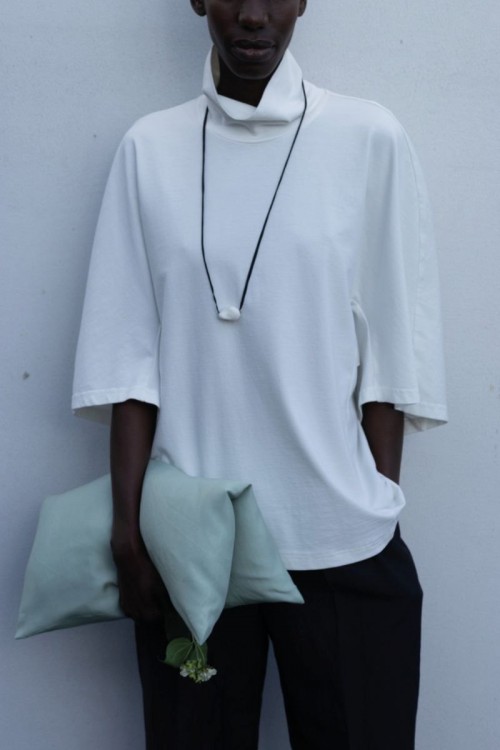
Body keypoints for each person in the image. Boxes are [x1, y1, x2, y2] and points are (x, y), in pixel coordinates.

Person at [72, 1, 447, 748]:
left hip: (343, 541)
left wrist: (370, 505)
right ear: (197, 0)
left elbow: (395, 349)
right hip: (192, 546)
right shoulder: (150, 148)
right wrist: (129, 531)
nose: (252, 15)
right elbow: (125, 358)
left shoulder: (367, 137)